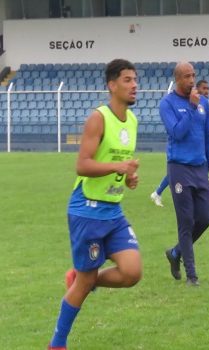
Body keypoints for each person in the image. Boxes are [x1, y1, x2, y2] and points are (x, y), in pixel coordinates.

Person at [48, 59, 142, 350]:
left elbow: (116, 166)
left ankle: (82, 279)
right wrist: (120, 166)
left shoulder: (134, 121)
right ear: (112, 85)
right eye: (127, 80)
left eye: (135, 79)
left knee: (132, 272)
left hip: (113, 210)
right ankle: (57, 344)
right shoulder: (98, 118)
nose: (134, 85)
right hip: (87, 210)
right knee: (85, 283)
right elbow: (83, 165)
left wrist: (127, 178)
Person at [160, 62, 209, 286]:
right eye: (187, 76)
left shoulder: (204, 103)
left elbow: (208, 139)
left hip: (200, 169)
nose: (192, 80)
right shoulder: (167, 104)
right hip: (179, 169)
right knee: (186, 221)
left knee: (204, 219)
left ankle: (175, 253)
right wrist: (191, 109)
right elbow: (177, 133)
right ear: (178, 79)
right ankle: (192, 275)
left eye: (193, 75)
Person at [150, 79, 209, 207]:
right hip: (181, 154)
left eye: (208, 89)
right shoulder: (178, 103)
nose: (207, 92)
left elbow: (201, 126)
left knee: (204, 217)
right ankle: (157, 193)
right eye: (204, 88)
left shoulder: (204, 104)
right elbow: (179, 129)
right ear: (197, 89)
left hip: (199, 151)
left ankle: (158, 193)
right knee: (173, 176)